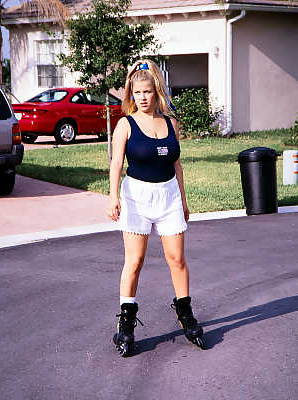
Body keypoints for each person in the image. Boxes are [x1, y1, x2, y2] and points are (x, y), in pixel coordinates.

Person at [107, 59, 204, 357]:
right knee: (134, 261)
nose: (143, 98)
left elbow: (176, 164)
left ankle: (185, 313)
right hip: (137, 197)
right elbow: (116, 164)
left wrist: (184, 200)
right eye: (137, 93)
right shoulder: (125, 124)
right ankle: (126, 324)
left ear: (157, 91)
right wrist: (113, 197)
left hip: (169, 196)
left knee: (176, 258)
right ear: (131, 95)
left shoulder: (170, 122)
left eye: (148, 91)